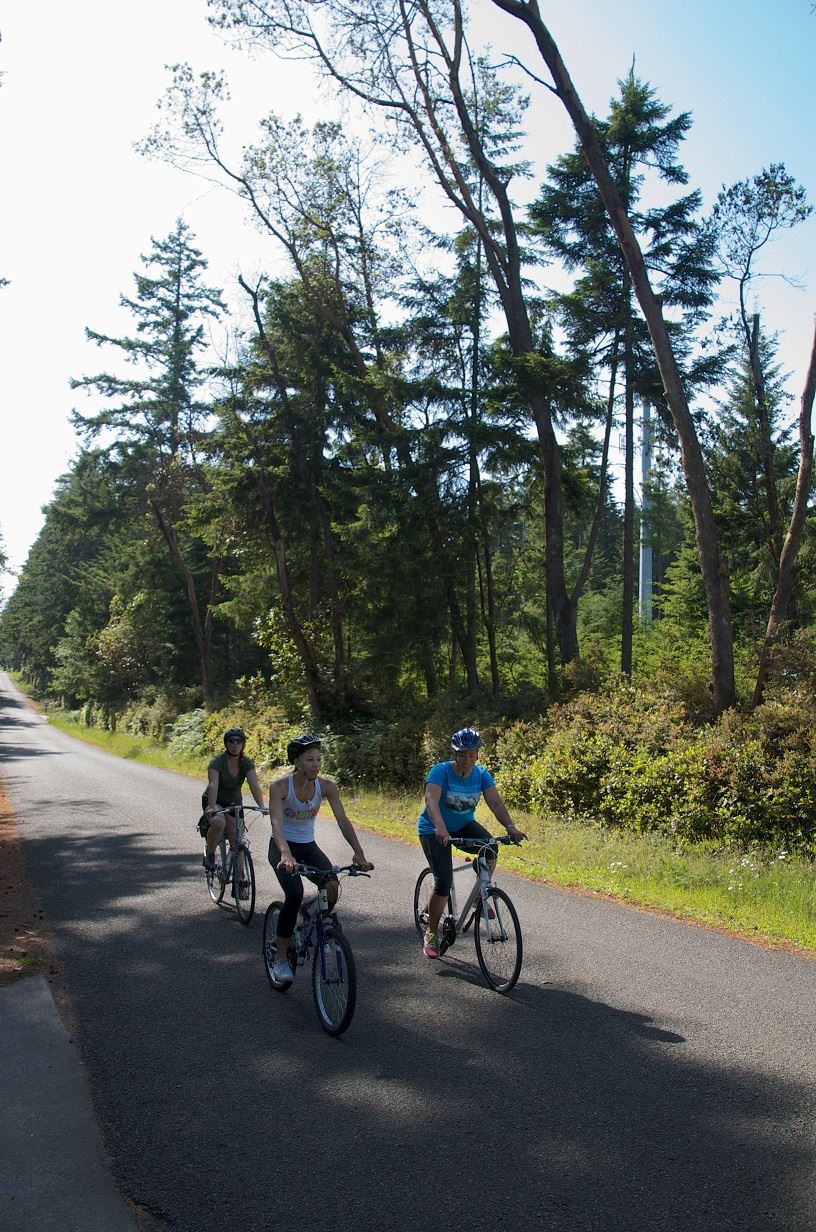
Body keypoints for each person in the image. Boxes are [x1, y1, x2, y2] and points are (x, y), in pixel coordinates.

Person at [267, 733, 374, 987]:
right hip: (283, 847)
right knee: (294, 894)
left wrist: (358, 853)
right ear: (296, 761)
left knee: (332, 886)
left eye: (318, 759)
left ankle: (315, 928)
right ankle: (280, 958)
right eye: (309, 759)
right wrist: (285, 853)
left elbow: (343, 821)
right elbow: (276, 824)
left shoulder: (327, 787)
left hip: (308, 847)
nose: (315, 764)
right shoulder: (280, 787)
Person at [417, 726, 525, 959]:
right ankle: (431, 933)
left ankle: (479, 896)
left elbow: (495, 803)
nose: (467, 760)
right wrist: (440, 827)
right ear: (454, 754)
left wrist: (510, 827)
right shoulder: (440, 772)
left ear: (477, 754)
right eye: (462, 754)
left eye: (472, 754)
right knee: (443, 882)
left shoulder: (482, 774)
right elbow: (431, 800)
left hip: (463, 825)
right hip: (433, 829)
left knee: (490, 848)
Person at [202, 727, 267, 871]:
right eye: (231, 741)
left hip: (234, 802)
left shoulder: (246, 763)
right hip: (215, 800)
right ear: (226, 744)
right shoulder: (217, 762)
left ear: (243, 744)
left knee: (237, 841)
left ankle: (241, 882)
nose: (235, 744)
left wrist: (261, 806)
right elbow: (213, 785)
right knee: (219, 823)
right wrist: (212, 806)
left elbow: (254, 785)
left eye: (239, 741)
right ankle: (210, 854)